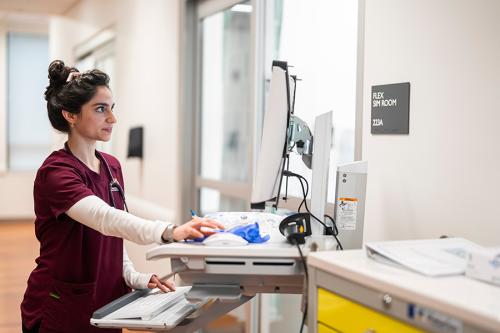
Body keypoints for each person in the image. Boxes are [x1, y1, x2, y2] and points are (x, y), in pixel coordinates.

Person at [20, 60, 224, 333]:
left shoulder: (111, 166)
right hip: (61, 306)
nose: (113, 119)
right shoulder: (56, 172)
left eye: (112, 108)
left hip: (108, 303)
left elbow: (113, 238)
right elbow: (104, 218)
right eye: (100, 109)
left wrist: (135, 277)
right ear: (71, 115)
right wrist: (170, 231)